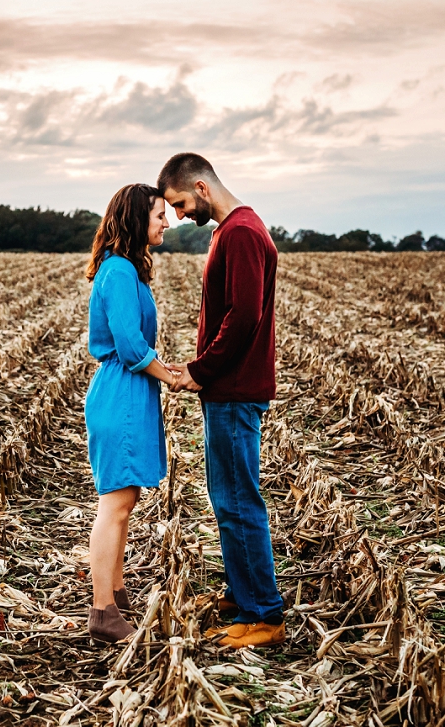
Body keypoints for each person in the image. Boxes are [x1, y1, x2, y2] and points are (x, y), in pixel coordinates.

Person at [157, 153, 286, 650]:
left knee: (237, 500)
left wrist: (200, 369)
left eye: (181, 203)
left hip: (234, 390)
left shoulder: (241, 234)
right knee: (227, 497)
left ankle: (263, 615)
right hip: (227, 389)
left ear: (201, 187)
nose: (179, 215)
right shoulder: (232, 231)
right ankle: (242, 592)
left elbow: (244, 316)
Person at [83, 183, 179, 643]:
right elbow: (128, 343)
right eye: (160, 214)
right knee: (115, 504)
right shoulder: (119, 270)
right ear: (137, 217)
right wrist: (170, 374)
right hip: (121, 391)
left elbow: (138, 346)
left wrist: (165, 368)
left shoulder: (125, 269)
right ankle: (102, 611)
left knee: (126, 499)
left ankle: (116, 594)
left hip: (130, 390)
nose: (167, 222)